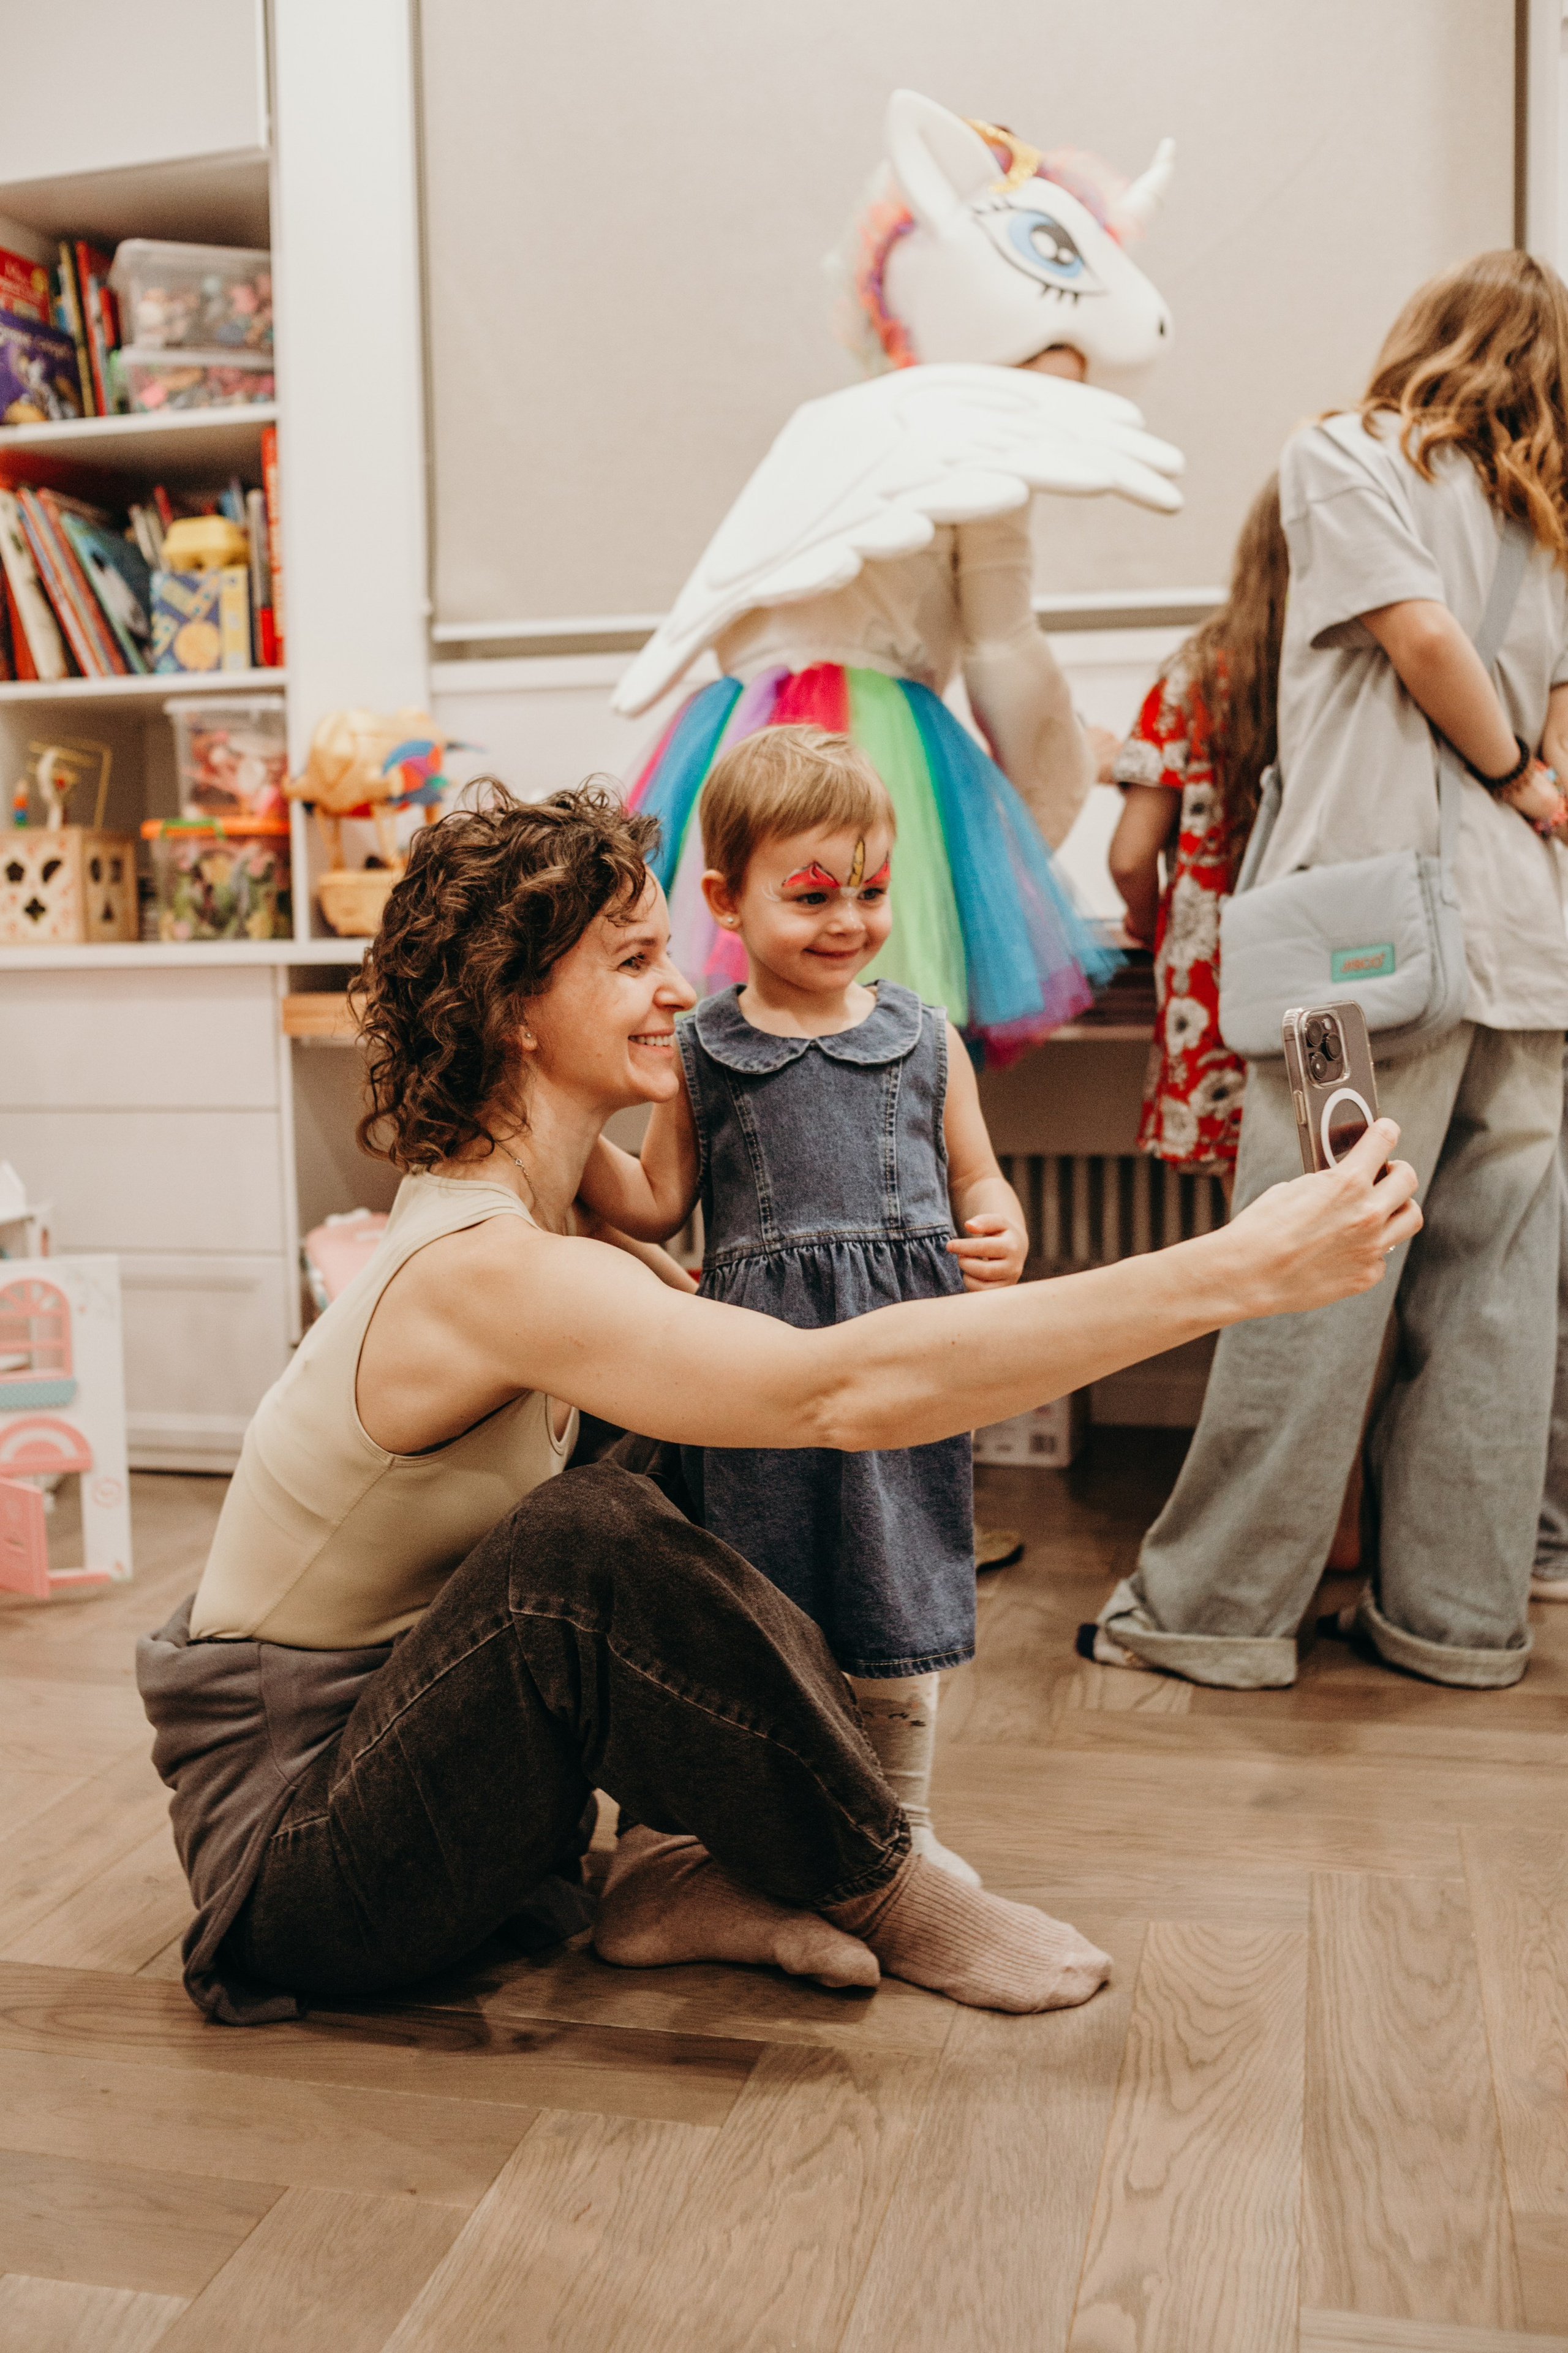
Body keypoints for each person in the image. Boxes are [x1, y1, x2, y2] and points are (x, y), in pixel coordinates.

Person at [137, 783, 1420, 2027]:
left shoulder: (549, 1232)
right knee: (584, 1536)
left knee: (685, 1429)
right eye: (632, 961)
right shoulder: (483, 1268)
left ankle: (674, 1868)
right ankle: (884, 1885)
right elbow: (841, 1388)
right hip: (304, 1872)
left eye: (665, 953)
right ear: (515, 1008)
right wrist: (1236, 1270)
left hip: (456, 1799)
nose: (678, 990)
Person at [1089, 249, 1568, 1693]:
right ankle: (1454, 1623)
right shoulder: (1544, 515)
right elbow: (1554, 737)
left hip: (1359, 957)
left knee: (1303, 1265)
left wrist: (1502, 769)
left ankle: (1211, 1613)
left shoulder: (1342, 452)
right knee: (1494, 1297)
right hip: (1526, 955)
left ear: (1422, 338)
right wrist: (1529, 784)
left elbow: (1416, 637)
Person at [612, 88, 1184, 1067]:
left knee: (742, 1037)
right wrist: (1057, 772)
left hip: (733, 733)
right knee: (877, 1042)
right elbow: (1003, 647)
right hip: (875, 739)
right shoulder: (978, 449)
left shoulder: (832, 433)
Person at [578, 726, 1027, 1888]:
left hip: (904, 1364)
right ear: (727, 899)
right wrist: (561, 1135)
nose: (848, 921)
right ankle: (754, 1822)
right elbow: (657, 1199)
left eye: (872, 892)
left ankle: (903, 1825)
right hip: (755, 1378)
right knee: (764, 1589)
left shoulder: (926, 1039)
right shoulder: (700, 1050)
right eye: (814, 895)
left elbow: (977, 1174)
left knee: (900, 1584)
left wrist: (1001, 1222)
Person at [1108, 477, 1288, 1177]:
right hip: (1332, 947)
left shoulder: (1191, 676)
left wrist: (1149, 921)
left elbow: (1130, 856)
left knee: (1250, 1204)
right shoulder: (1350, 669)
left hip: (1215, 971)